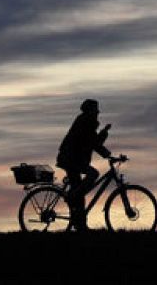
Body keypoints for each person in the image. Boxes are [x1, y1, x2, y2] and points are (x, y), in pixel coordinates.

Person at [57, 98, 111, 229]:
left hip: (72, 159)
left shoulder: (85, 120)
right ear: (90, 110)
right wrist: (104, 138)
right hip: (72, 159)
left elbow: (92, 143)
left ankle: (80, 224)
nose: (98, 112)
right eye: (96, 109)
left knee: (80, 194)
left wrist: (107, 153)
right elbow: (93, 143)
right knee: (93, 174)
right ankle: (71, 197)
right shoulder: (87, 121)